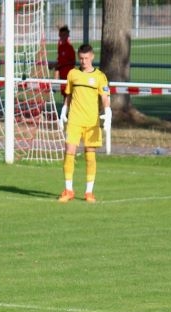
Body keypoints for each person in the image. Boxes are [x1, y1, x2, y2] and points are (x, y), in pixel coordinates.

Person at [57, 43, 110, 203]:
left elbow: (105, 97)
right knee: (69, 152)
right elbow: (69, 94)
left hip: (91, 121)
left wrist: (108, 112)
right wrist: (64, 110)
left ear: (92, 57)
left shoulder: (100, 76)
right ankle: (68, 190)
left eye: (86, 58)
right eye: (81, 58)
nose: (84, 61)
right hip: (75, 120)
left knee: (90, 156)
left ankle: (89, 192)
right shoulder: (73, 74)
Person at [56, 26, 76, 96]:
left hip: (68, 74)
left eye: (64, 35)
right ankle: (65, 107)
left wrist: (62, 64)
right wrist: (56, 65)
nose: (62, 37)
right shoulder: (60, 47)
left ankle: (68, 107)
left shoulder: (70, 48)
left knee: (69, 94)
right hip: (62, 74)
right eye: (61, 35)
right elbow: (59, 60)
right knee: (64, 94)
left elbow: (73, 62)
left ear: (67, 35)